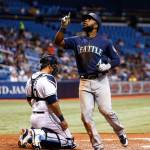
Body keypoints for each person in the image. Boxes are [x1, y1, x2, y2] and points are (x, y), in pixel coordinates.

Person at [54, 12, 128, 150]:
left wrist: (108, 66)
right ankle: (97, 145)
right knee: (86, 117)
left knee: (106, 111)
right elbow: (58, 42)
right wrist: (63, 27)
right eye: (84, 19)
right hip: (84, 83)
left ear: (96, 24)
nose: (85, 21)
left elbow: (116, 59)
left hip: (101, 81)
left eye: (89, 19)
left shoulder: (105, 42)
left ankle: (120, 131)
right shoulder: (77, 40)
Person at [18, 54, 76, 150]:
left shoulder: (30, 79)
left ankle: (29, 134)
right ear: (49, 66)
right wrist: (62, 119)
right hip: (46, 116)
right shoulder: (48, 78)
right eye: (54, 66)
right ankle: (38, 134)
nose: (55, 68)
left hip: (34, 117)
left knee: (50, 139)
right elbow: (52, 102)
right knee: (69, 142)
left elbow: (29, 100)